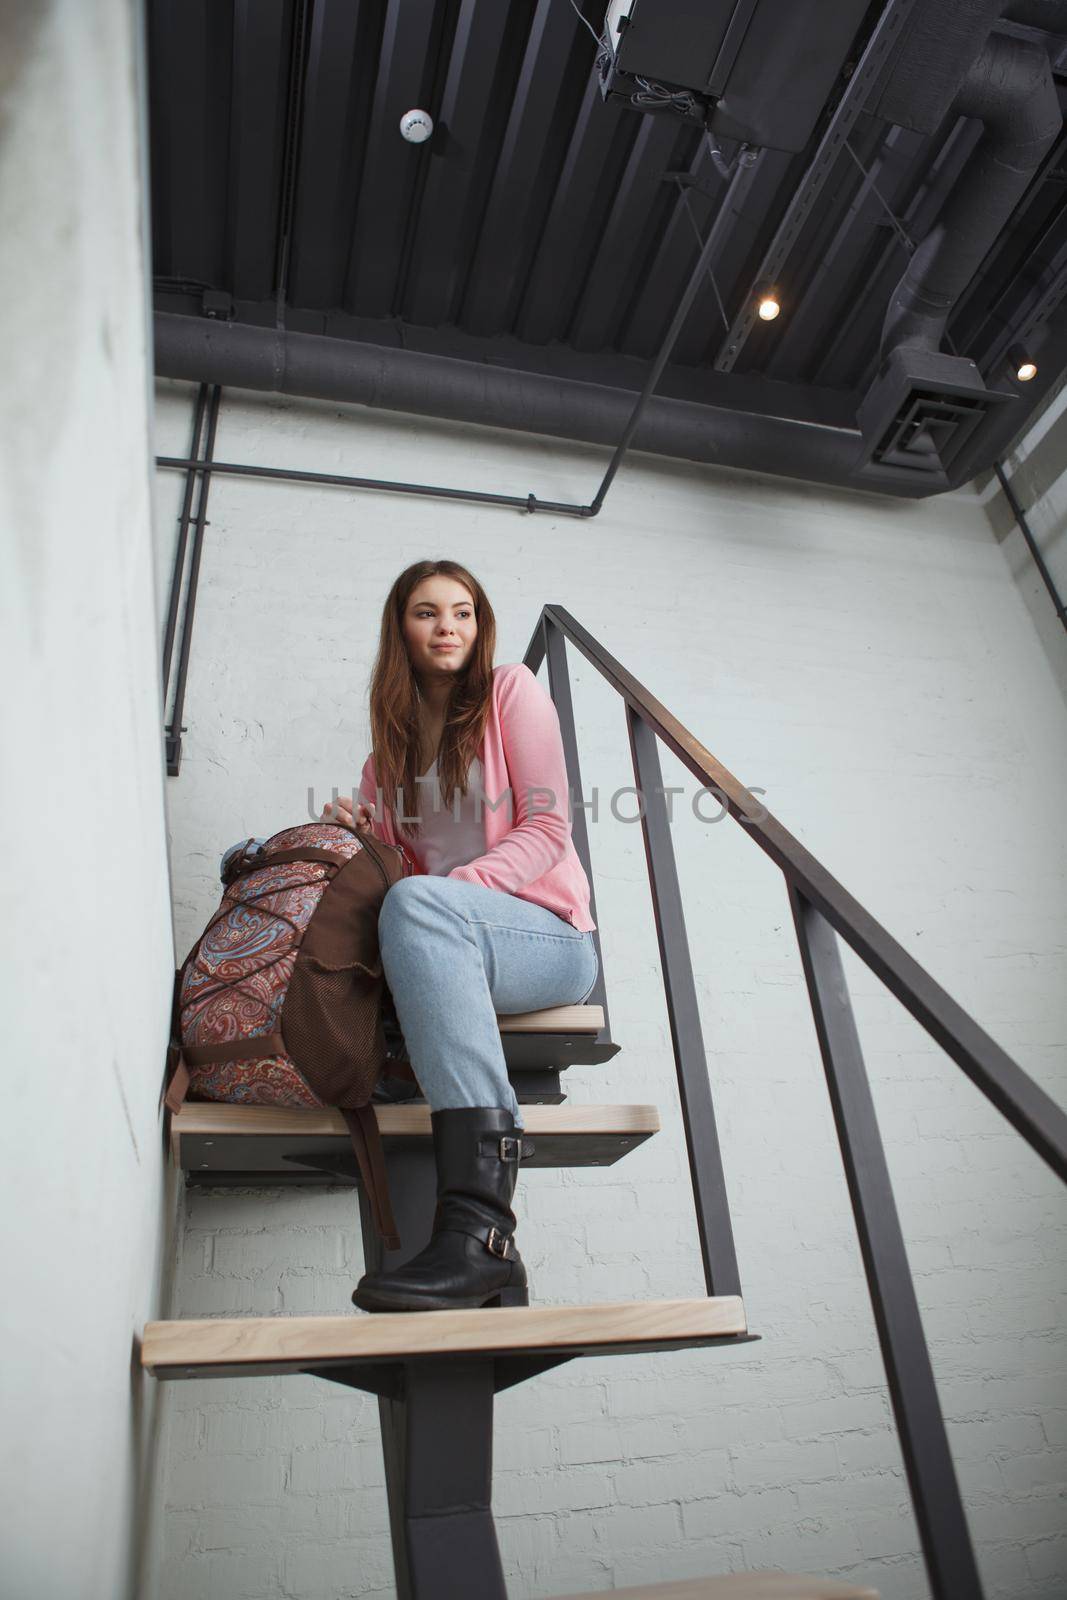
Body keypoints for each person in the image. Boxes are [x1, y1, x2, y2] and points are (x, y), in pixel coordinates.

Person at [326, 559, 598, 1314]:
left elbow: (547, 826)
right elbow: (397, 881)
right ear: (400, 629)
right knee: (400, 906)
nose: (447, 626)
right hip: (447, 937)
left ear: (479, 627)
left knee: (418, 906)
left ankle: (479, 1226)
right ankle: (488, 1257)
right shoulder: (384, 762)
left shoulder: (512, 691)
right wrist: (359, 837)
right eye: (425, 612)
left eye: (463, 611)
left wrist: (448, 896)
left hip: (543, 938)